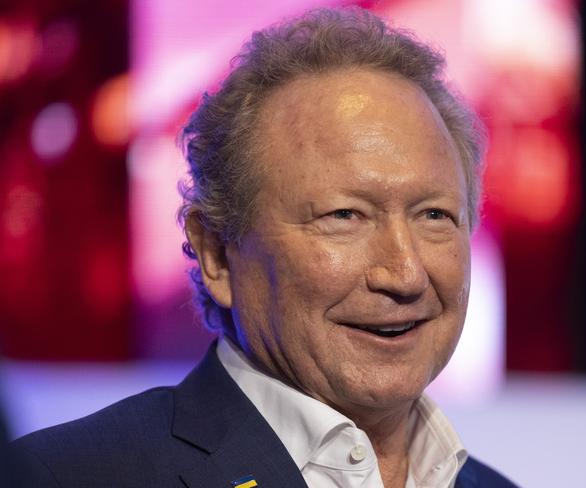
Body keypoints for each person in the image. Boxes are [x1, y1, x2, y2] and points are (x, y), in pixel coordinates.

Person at [11, 8, 517, 488]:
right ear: (216, 254)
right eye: (345, 216)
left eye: (434, 216)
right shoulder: (66, 476)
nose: (405, 274)